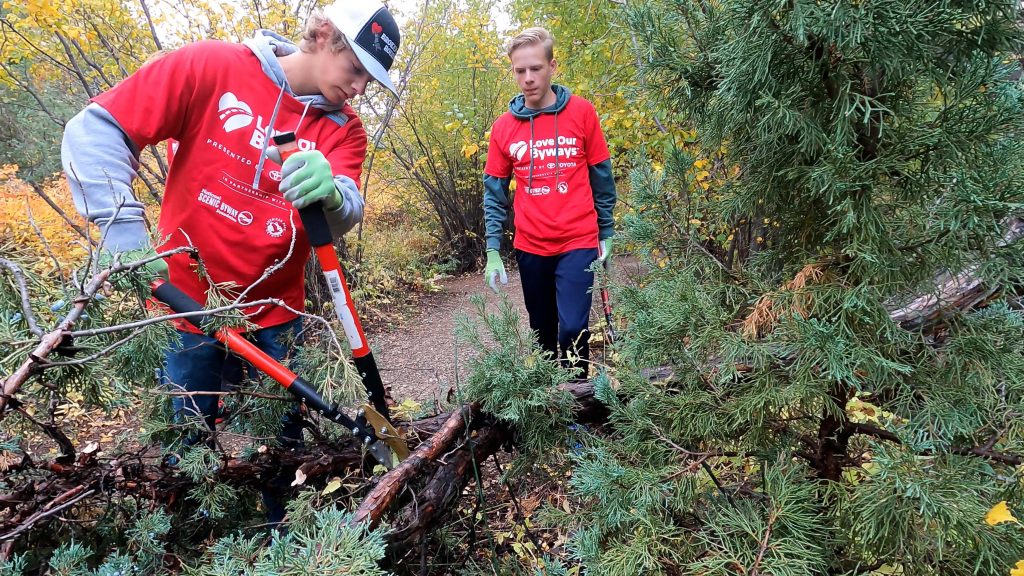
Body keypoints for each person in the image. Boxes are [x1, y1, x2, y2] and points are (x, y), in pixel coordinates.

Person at [61, 1, 401, 519]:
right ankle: (188, 529)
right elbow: (96, 131)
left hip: (279, 310)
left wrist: (331, 195)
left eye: (370, 81)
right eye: (355, 68)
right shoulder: (212, 66)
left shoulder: (344, 131)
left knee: (284, 443)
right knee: (188, 431)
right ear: (323, 34)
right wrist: (125, 235)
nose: (359, 88)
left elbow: (345, 208)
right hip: (187, 300)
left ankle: (278, 527)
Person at [482, 27, 617, 378]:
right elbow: (494, 192)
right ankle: (549, 414)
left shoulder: (582, 112)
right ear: (513, 71)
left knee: (573, 331)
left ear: (552, 66)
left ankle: (575, 411)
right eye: (520, 70)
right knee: (542, 336)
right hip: (531, 246)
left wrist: (607, 230)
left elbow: (601, 175)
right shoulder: (503, 128)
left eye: (536, 68)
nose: (528, 78)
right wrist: (493, 249)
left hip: (578, 241)